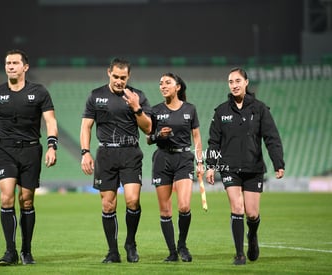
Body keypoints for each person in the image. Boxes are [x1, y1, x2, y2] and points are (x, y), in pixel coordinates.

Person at [0, 49, 58, 266]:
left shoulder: (39, 92)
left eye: (15, 62)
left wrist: (52, 146)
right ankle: (10, 251)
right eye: (7, 63)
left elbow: (50, 121)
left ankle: (26, 250)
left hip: (31, 151)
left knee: (26, 200)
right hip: (5, 151)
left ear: (25, 67)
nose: (10, 66)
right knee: (6, 198)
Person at [205, 67, 285, 265]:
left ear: (246, 83)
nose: (234, 85)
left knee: (252, 213)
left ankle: (253, 235)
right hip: (229, 168)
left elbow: (271, 138)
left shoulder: (260, 109)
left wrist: (278, 163)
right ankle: (239, 253)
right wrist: (211, 165)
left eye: (238, 81)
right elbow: (214, 141)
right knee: (237, 207)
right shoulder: (221, 111)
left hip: (253, 167)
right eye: (231, 82)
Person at [80, 57, 152, 263]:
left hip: (130, 152)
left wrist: (136, 107)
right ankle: (113, 252)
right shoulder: (96, 96)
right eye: (116, 76)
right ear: (108, 73)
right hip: (106, 154)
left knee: (132, 200)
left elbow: (148, 128)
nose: (119, 81)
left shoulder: (138, 96)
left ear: (129, 76)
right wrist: (85, 152)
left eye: (123, 77)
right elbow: (86, 126)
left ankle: (130, 242)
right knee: (108, 205)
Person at [147, 73, 204, 262]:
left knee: (184, 205)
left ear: (177, 87)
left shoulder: (190, 109)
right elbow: (148, 139)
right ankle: (172, 252)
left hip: (183, 158)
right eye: (161, 83)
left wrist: (200, 162)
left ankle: (182, 245)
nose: (163, 86)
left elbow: (196, 137)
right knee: (165, 210)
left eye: (167, 83)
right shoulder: (155, 111)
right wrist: (158, 136)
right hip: (162, 159)